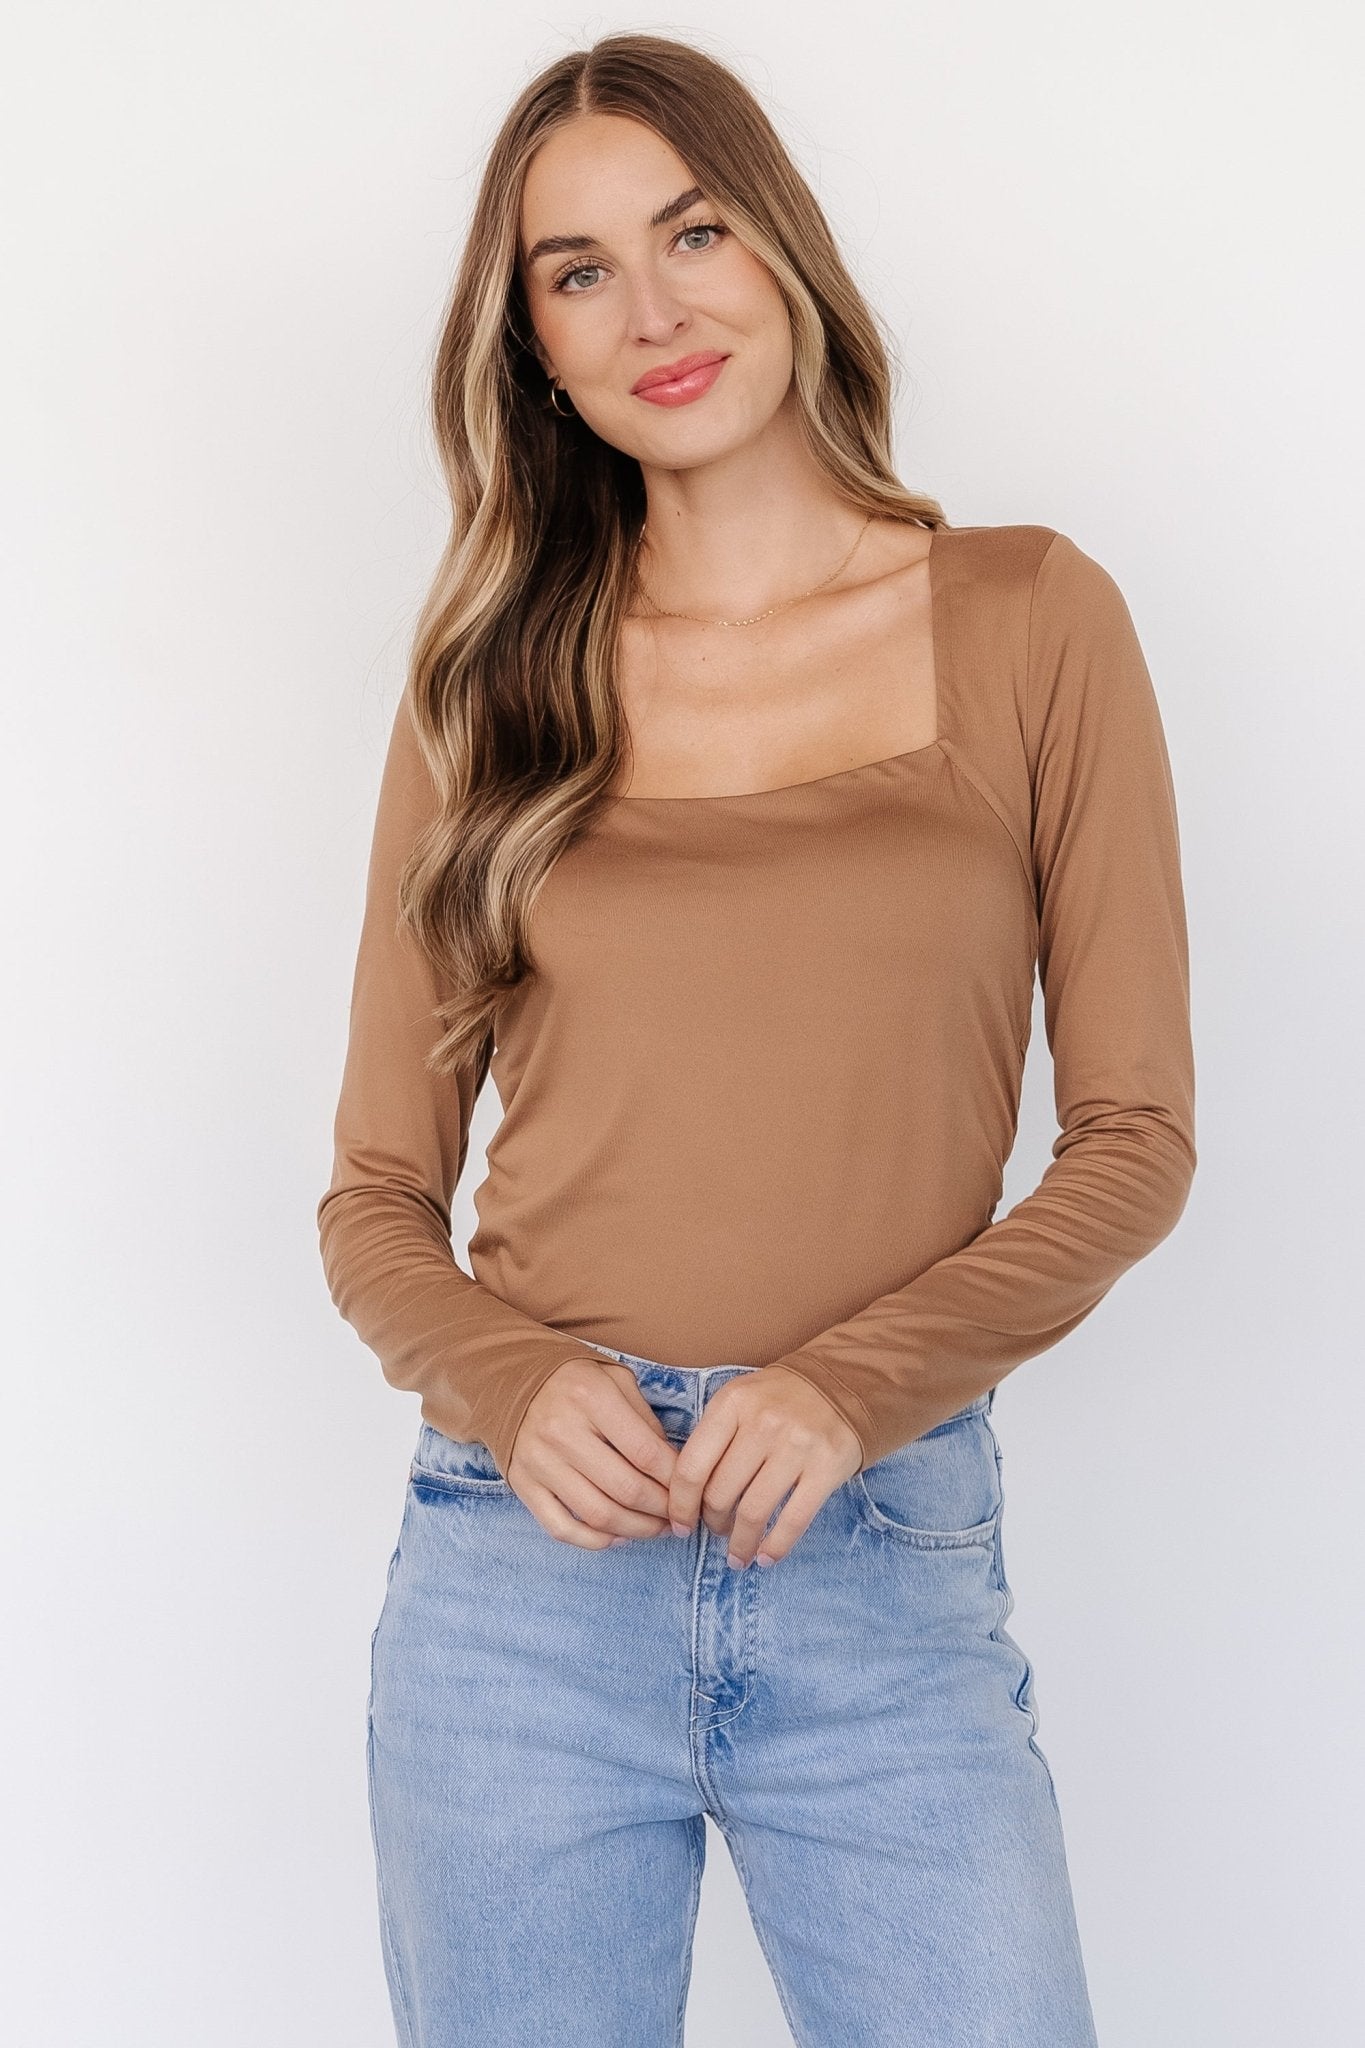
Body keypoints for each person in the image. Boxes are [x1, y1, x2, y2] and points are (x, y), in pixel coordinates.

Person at [316, 31, 1195, 2048]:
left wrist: (849, 1385)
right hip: (522, 1578)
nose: (654, 309)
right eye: (579, 272)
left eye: (692, 231)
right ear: (536, 349)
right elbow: (372, 1197)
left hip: (877, 1543)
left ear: (781, 246)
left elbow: (1133, 1136)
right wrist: (510, 1379)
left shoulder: (1029, 620)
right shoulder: (488, 690)